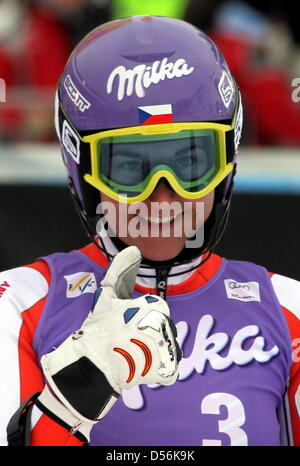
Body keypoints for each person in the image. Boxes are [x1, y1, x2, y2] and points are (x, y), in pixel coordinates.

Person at [1, 15, 300, 447]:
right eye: (128, 168)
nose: (161, 200)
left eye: (190, 163)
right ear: (83, 174)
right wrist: (69, 403)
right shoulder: (18, 303)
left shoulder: (288, 309)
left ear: (227, 166)